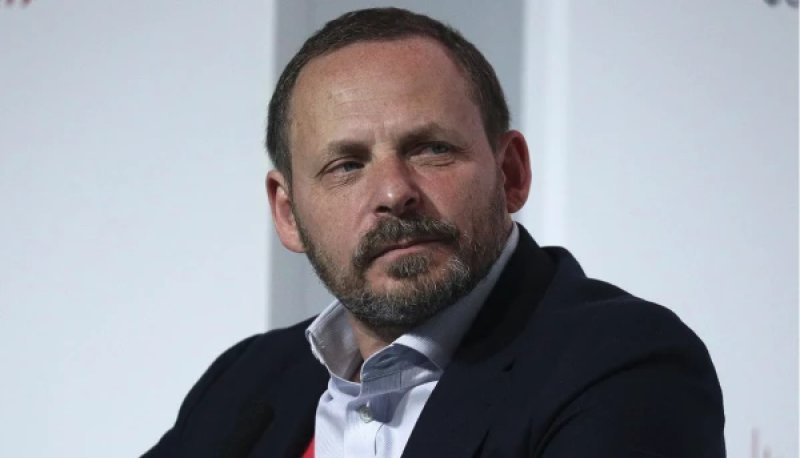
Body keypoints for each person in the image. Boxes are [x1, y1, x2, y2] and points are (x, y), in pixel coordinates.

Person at [143, 7, 725, 458]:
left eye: (431, 149)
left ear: (511, 174)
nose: (394, 192)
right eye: (346, 165)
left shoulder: (624, 366)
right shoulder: (245, 384)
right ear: (288, 213)